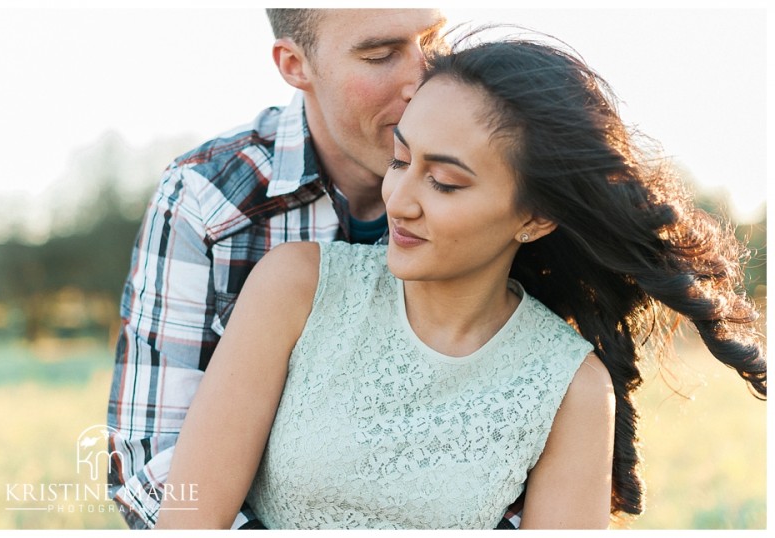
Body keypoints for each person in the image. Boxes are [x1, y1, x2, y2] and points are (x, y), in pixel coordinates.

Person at [153, 35, 766, 529]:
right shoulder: (295, 289)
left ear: (534, 217)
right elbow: (189, 522)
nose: (400, 198)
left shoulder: (573, 389)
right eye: (400, 160)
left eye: (444, 182)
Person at [107, 8, 523, 530]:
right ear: (294, 65)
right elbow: (153, 464)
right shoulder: (206, 199)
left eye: (433, 39)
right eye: (380, 54)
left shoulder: (511, 193)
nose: (423, 77)